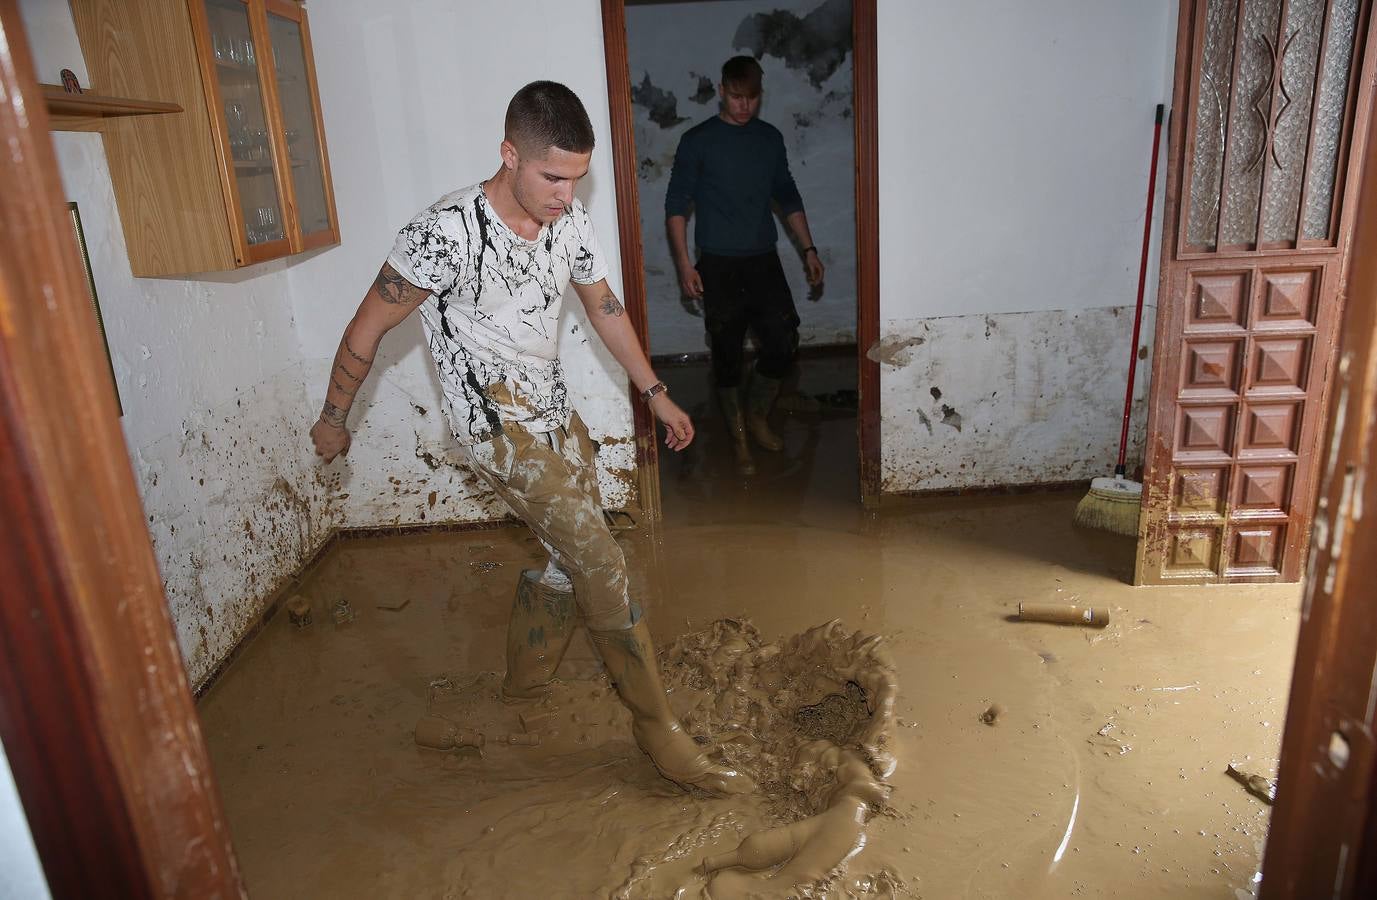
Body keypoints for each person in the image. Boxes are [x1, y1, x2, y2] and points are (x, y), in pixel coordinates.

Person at [308, 81, 751, 797]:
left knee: (561, 558)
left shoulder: (567, 222)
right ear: (509, 154)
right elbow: (365, 330)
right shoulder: (444, 232)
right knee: (599, 560)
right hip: (494, 427)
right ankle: (657, 732)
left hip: (553, 413)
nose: (563, 195)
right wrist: (333, 419)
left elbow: (602, 306)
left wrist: (656, 393)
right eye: (552, 177)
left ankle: (522, 688)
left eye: (576, 179)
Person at [665, 55, 825, 477]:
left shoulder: (769, 139)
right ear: (721, 91)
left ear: (759, 95)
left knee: (782, 341)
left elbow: (787, 195)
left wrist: (809, 249)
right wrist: (684, 265)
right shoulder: (698, 141)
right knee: (727, 353)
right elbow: (676, 206)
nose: (743, 106)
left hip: (762, 261)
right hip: (717, 264)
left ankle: (757, 414)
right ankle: (738, 437)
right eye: (736, 97)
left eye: (751, 98)